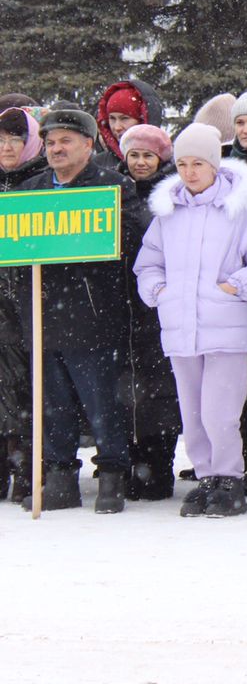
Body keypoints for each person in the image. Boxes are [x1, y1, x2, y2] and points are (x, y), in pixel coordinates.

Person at [133, 124, 247, 517]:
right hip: (180, 328)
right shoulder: (167, 214)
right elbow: (148, 263)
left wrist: (237, 286)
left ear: (214, 164)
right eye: (182, 163)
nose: (189, 171)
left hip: (226, 328)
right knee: (193, 414)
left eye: (197, 163)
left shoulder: (239, 210)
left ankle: (229, 479)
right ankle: (205, 478)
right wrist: (158, 291)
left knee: (221, 413)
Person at [19, 107, 148, 512]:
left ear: (88, 145)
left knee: (101, 400)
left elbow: (133, 241)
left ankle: (112, 471)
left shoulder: (112, 187)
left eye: (65, 141)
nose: (56, 149)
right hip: (42, 314)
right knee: (52, 400)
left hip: (92, 314)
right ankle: (59, 474)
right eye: (51, 142)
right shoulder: (30, 190)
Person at [115, 124, 182, 502]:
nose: (141, 163)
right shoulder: (112, 192)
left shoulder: (171, 194)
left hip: (157, 304)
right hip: (120, 304)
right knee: (126, 391)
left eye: (148, 156)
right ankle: (131, 464)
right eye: (134, 155)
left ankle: (159, 466)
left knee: (160, 391)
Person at [0, 105, 46, 502]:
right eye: (0, 140)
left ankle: (31, 471)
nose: (6, 147)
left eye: (15, 139)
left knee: (30, 394)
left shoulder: (42, 183)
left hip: (33, 302)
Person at [94, 79, 164, 168]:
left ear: (142, 120)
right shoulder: (98, 165)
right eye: (112, 118)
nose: (117, 127)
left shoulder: (170, 162)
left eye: (124, 118)